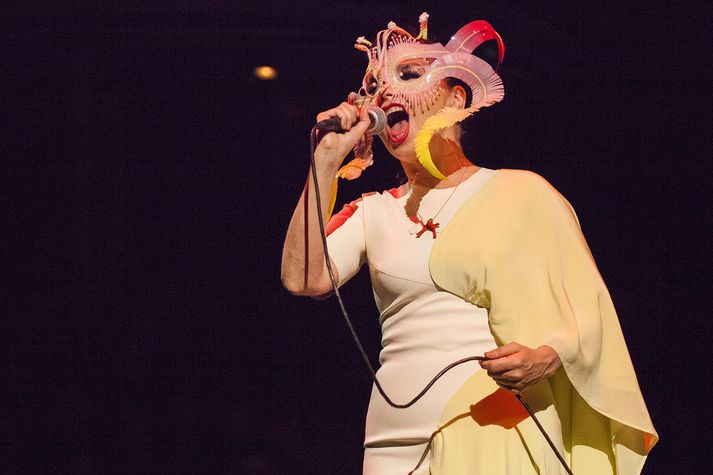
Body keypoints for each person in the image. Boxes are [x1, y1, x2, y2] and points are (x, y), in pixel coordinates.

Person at [281, 13, 657, 475]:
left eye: (410, 75)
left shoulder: (523, 193)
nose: (388, 94)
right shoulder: (373, 211)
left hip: (495, 422)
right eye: (377, 87)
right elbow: (304, 279)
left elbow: (590, 310)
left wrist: (548, 355)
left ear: (456, 95)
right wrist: (324, 163)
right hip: (391, 439)